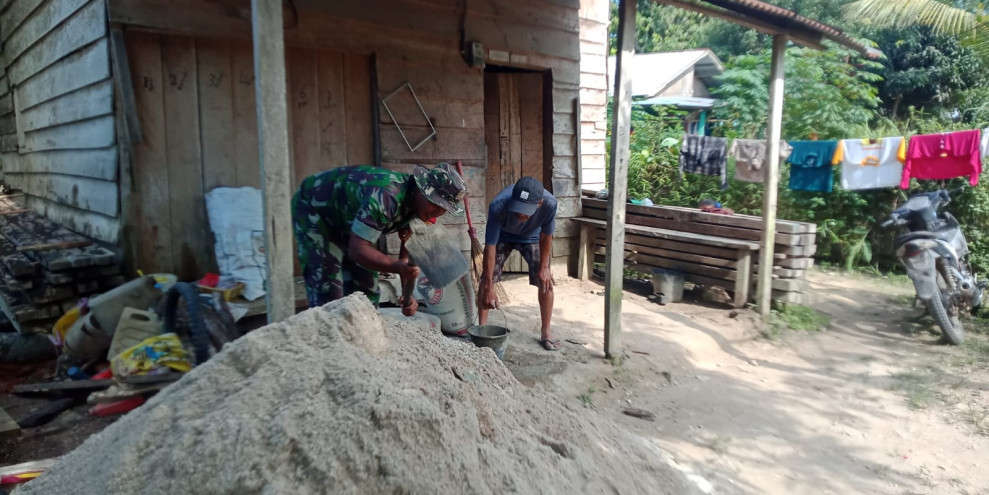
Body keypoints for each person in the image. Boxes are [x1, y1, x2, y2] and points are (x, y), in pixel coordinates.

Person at [291, 163, 467, 314]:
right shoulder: (386, 196)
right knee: (328, 290)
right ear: (423, 190)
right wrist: (395, 267)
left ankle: (365, 338)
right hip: (315, 211)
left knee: (368, 287)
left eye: (443, 209)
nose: (436, 213)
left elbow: (407, 255)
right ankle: (329, 345)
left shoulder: (421, 211)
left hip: (348, 218)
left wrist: (408, 295)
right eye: (435, 205)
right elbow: (357, 249)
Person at [477, 177, 560, 351]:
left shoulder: (550, 204)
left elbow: (546, 235)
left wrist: (544, 268)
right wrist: (489, 285)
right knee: (486, 280)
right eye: (518, 209)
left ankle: (546, 332)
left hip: (533, 237)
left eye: (525, 211)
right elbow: (490, 246)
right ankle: (481, 330)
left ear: (539, 203)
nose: (520, 214)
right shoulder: (498, 205)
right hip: (503, 236)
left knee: (546, 281)